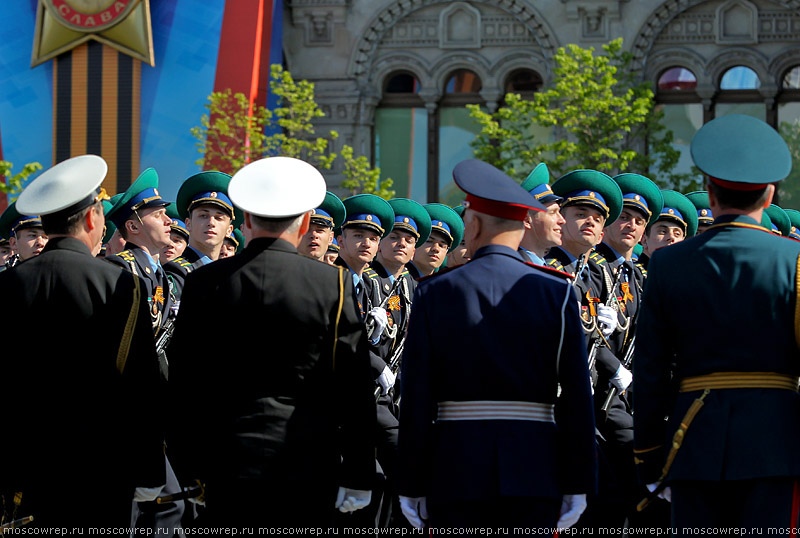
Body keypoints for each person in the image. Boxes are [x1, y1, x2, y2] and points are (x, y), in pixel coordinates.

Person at [167, 156, 376, 527]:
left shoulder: (204, 282)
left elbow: (185, 380)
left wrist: (188, 466)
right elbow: (353, 385)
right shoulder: (334, 284)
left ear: (244, 220)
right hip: (308, 455)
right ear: (307, 223)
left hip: (225, 458)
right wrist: (358, 472)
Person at [397, 159, 597, 529]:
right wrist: (579, 480)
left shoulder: (434, 291)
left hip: (454, 467)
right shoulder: (556, 290)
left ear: (472, 224)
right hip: (535, 465)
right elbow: (576, 394)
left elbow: (417, 396)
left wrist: (411, 478)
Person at [633, 114, 800, 533]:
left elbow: (651, 368)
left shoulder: (669, 263)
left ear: (708, 191)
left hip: (693, 439)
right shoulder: (794, 260)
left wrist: (651, 452)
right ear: (770, 195)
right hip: (776, 443)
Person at [0, 154, 164, 529]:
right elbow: (140, 381)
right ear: (92, 218)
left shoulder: (8, 284)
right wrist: (149, 469)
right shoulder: (121, 283)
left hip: (23, 464)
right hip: (103, 463)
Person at [587, 173, 664, 528]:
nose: (631, 225)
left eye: (639, 220)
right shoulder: (591, 267)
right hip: (595, 395)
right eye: (624, 217)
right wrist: (614, 366)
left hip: (624, 397)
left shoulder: (639, 277)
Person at [105, 168, 173, 332]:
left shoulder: (159, 272)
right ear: (133, 226)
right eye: (158, 215)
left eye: (165, 214)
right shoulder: (122, 269)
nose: (169, 221)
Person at [163, 171, 237, 302]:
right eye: (203, 216)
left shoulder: (233, 275)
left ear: (229, 229)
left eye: (219, 218)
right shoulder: (177, 272)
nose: (211, 223)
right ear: (188, 224)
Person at [519, 162, 566, 265]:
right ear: (527, 220)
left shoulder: (547, 267)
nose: (562, 220)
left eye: (559, 212)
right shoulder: (516, 268)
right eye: (552, 212)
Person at [638, 190, 697, 269]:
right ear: (644, 240)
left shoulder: (686, 279)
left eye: (677, 234)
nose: (671, 237)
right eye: (663, 231)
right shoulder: (632, 276)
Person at [409, 204, 464, 277]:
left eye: (441, 245)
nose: (436, 249)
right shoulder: (398, 278)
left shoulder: (440, 284)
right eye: (429, 241)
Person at [298, 191, 346, 261]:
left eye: (320, 230)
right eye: (307, 229)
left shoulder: (339, 272)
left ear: (330, 238)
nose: (314, 235)